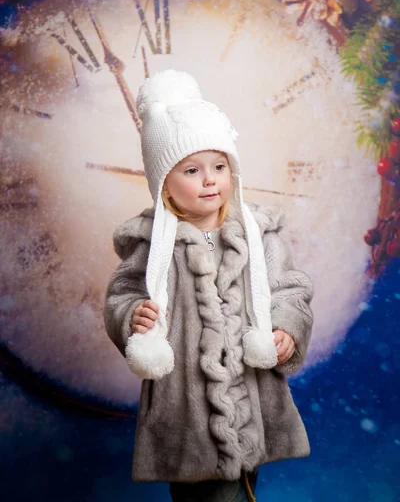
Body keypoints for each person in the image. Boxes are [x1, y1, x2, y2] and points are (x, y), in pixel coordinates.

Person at [104, 69, 314, 502]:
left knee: (243, 485)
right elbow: (122, 293)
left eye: (219, 166)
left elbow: (290, 288)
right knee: (208, 494)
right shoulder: (153, 242)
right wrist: (131, 317)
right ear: (164, 182)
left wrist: (286, 328)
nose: (209, 179)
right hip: (188, 409)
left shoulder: (256, 232)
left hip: (252, 394)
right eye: (192, 170)